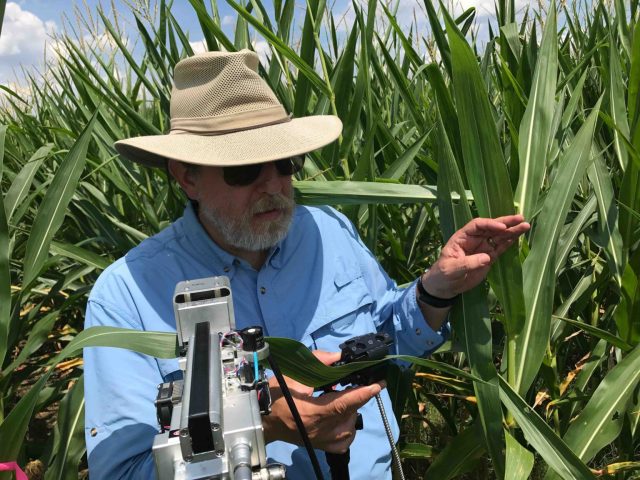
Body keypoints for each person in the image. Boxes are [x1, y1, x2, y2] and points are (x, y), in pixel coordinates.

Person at [83, 49, 529, 479]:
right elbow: (123, 471)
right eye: (244, 169)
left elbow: (385, 341)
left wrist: (435, 288)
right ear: (186, 176)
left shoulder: (328, 231)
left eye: (285, 161)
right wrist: (260, 425)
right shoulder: (128, 296)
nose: (273, 183)